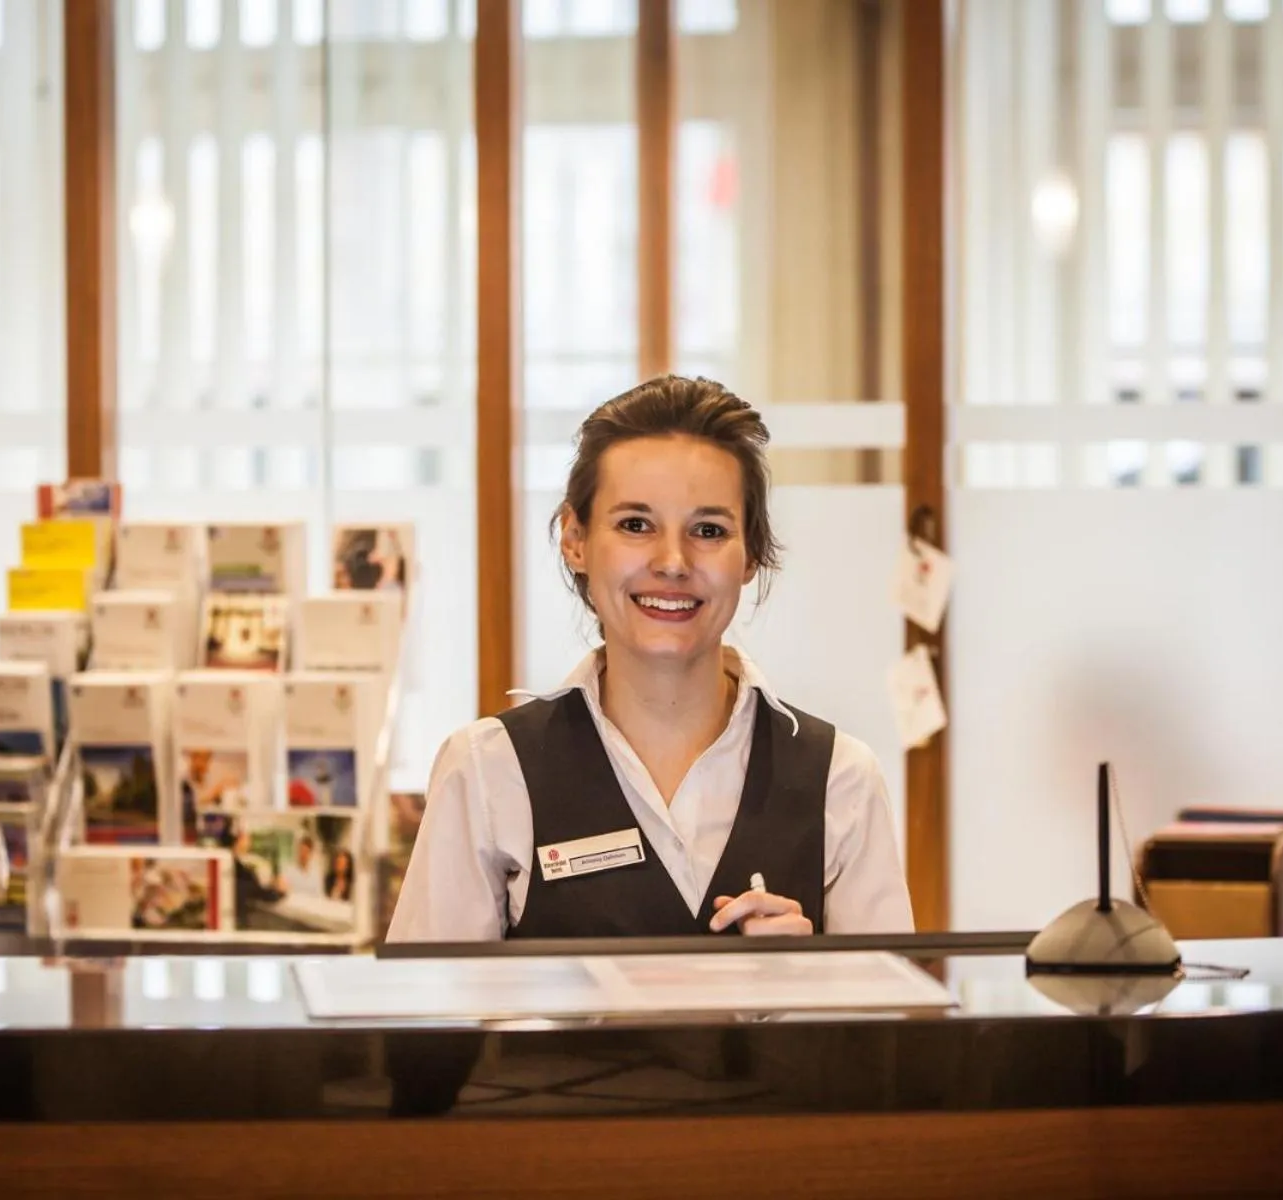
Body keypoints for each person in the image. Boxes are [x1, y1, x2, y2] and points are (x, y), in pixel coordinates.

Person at [387, 375, 914, 941]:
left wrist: (815, 987)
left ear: (751, 554)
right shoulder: (488, 770)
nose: (672, 561)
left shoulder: (841, 779)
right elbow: (427, 1021)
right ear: (575, 539)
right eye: (635, 525)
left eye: (708, 530)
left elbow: (894, 1029)